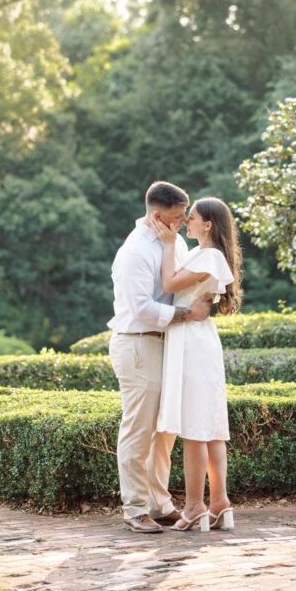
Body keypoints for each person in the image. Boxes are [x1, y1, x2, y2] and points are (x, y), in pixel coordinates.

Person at [107, 181, 213, 533]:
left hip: (168, 343)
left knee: (165, 430)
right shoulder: (135, 251)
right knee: (138, 429)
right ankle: (134, 508)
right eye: (179, 216)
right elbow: (141, 308)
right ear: (158, 215)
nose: (184, 221)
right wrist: (188, 316)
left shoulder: (175, 240)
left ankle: (158, 502)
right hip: (138, 343)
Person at [153, 197, 242, 532]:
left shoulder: (210, 255)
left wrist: (166, 243)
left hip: (193, 340)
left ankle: (195, 507)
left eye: (191, 218)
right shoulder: (202, 254)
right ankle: (220, 504)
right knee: (209, 428)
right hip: (195, 338)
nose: (185, 222)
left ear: (208, 225)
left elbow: (169, 284)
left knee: (196, 429)